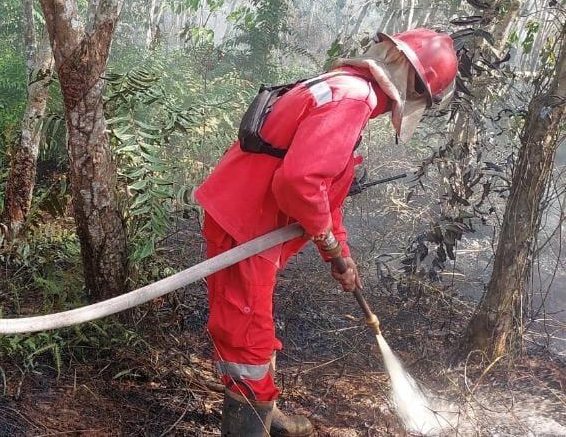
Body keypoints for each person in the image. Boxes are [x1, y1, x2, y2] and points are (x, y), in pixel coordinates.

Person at [195, 29, 457, 436]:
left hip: (248, 222)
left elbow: (323, 189)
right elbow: (298, 183)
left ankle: (269, 418)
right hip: (244, 230)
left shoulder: (344, 88)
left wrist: (340, 255)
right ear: (415, 87)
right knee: (246, 340)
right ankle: (249, 426)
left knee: (254, 327)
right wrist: (327, 241)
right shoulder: (353, 99)